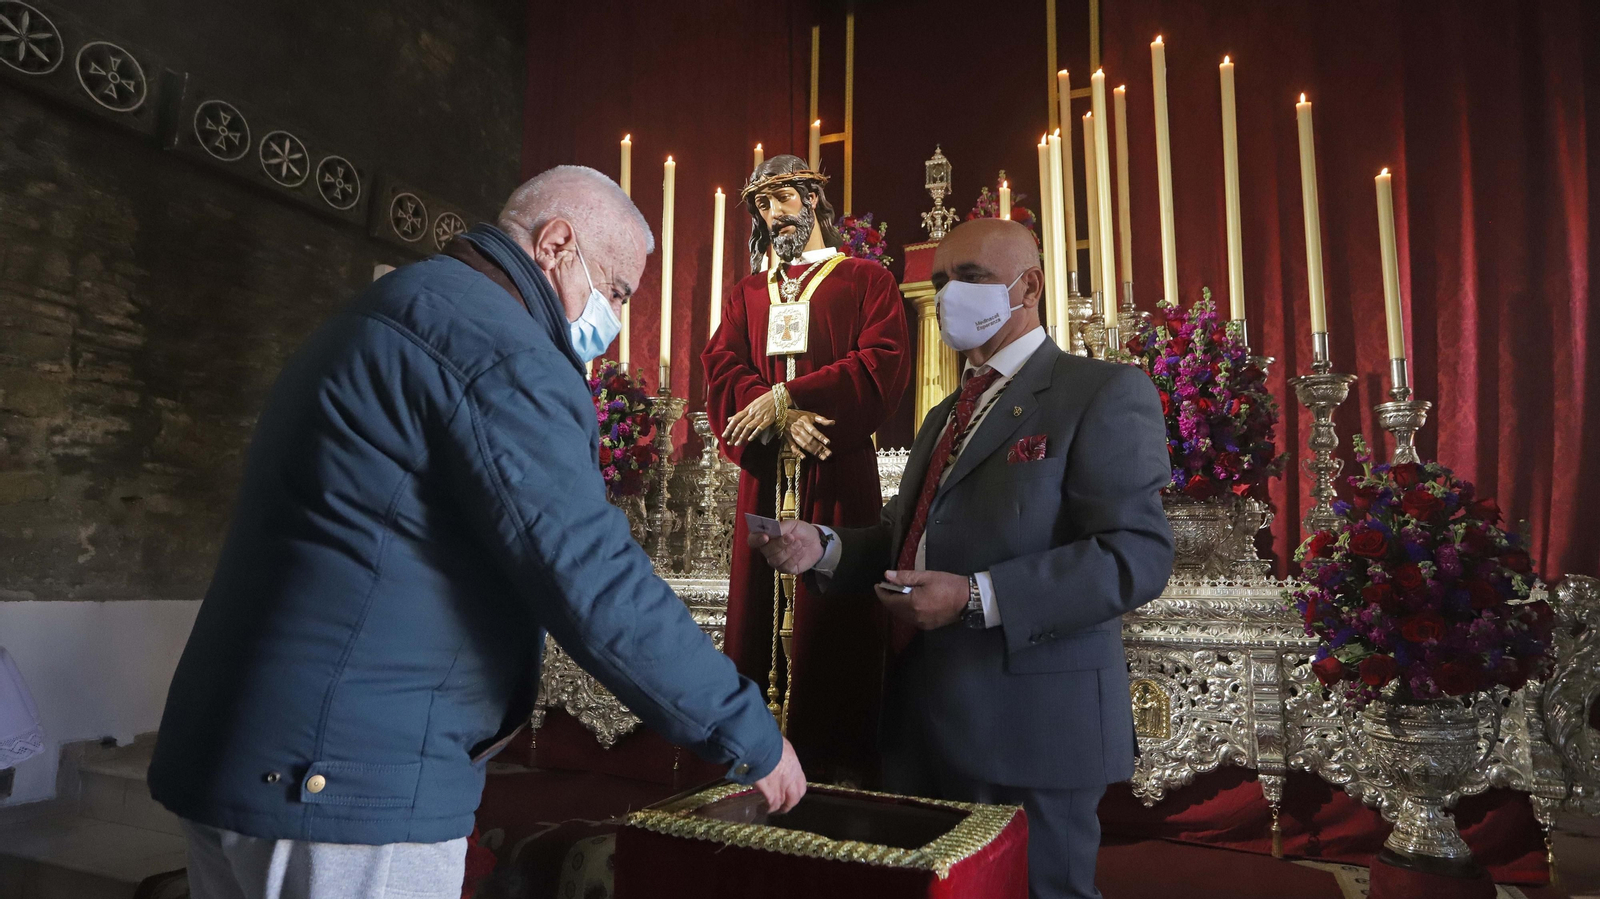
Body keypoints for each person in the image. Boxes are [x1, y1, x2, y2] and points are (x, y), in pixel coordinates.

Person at [149, 165, 805, 899]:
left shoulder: (395, 304)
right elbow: (591, 578)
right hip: (346, 779)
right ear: (556, 245)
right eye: (617, 290)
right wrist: (748, 731)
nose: (614, 317)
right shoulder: (503, 350)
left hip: (249, 750)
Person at [752, 218, 1174, 899]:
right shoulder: (946, 413)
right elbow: (906, 534)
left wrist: (977, 596)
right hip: (922, 720)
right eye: (942, 280)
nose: (950, 295)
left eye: (971, 277)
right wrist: (823, 547)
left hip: (1032, 728)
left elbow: (1137, 555)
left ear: (1029, 287)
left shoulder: (1100, 391)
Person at [701, 155, 910, 785]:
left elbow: (881, 361)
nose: (774, 214)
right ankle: (757, 766)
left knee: (835, 619)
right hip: (768, 474)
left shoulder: (866, 280)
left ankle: (836, 768)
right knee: (757, 620)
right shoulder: (747, 294)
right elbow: (722, 366)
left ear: (814, 199)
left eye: (784, 198)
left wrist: (790, 397)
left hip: (836, 470)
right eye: (763, 205)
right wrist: (776, 414)